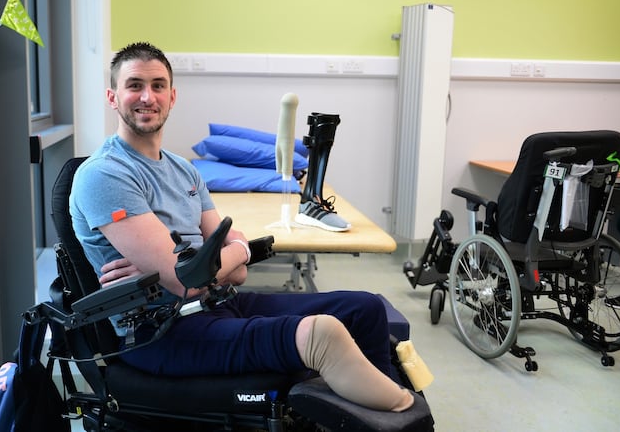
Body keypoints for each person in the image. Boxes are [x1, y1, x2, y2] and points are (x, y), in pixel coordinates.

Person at [69, 42, 414, 412]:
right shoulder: (105, 174)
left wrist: (202, 264)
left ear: (172, 96)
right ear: (112, 96)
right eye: (134, 85)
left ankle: (370, 415)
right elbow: (186, 280)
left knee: (366, 308)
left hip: (218, 305)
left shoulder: (184, 169)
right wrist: (223, 257)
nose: (147, 96)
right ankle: (403, 411)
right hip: (161, 333)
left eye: (157, 85)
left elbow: (234, 275)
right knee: (322, 335)